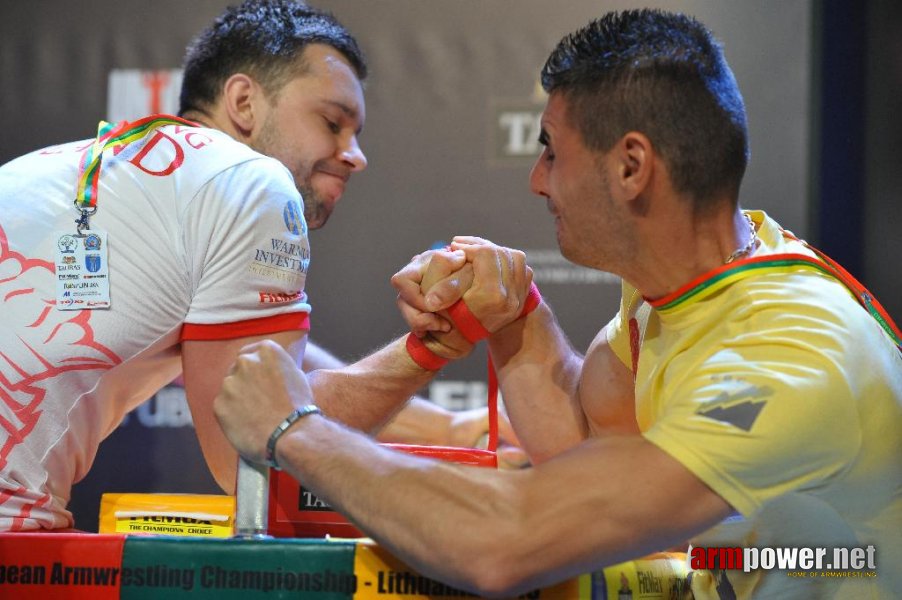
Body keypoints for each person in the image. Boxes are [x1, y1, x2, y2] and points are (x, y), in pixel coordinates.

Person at [213, 8, 902, 599]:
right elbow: (585, 449)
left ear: (632, 168)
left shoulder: (791, 352)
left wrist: (293, 427)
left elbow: (507, 542)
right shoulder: (685, 289)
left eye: (551, 151)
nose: (538, 182)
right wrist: (514, 313)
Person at [0, 0, 516, 533]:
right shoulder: (249, 181)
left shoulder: (50, 168)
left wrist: (452, 428)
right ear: (244, 102)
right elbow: (251, 444)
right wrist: (425, 349)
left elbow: (264, 367)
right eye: (333, 122)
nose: (355, 154)